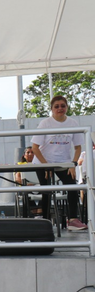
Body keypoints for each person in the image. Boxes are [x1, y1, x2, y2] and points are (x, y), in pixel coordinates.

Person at [31, 95, 86, 231]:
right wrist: (46, 166)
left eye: (62, 106)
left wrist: (73, 164)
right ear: (51, 109)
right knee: (46, 189)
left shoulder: (73, 123)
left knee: (72, 186)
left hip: (63, 162)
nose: (60, 108)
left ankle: (72, 219)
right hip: (43, 161)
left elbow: (78, 147)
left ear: (67, 107)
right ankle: (45, 221)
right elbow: (35, 147)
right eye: (56, 106)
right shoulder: (45, 123)